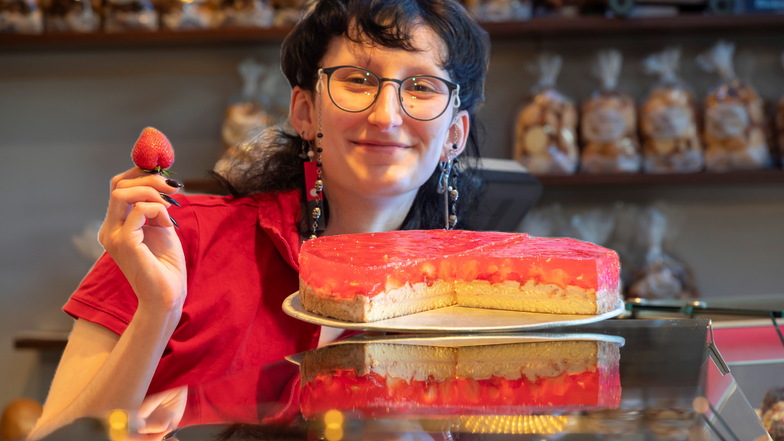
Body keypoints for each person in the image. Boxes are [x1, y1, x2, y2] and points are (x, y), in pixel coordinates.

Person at [29, 0, 490, 439]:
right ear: (306, 113)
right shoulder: (171, 237)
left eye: (423, 87)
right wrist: (159, 311)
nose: (386, 115)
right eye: (357, 80)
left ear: (454, 133)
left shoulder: (484, 297)